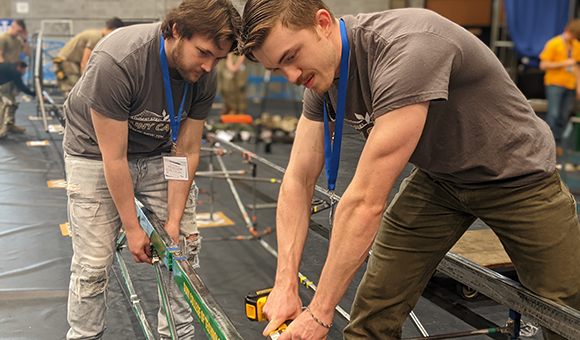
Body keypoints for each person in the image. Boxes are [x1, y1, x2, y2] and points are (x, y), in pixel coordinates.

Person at [240, 1, 580, 339]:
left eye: (291, 57)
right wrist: (285, 283)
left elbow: (365, 203)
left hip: (520, 178)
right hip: (440, 179)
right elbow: (298, 179)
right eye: (277, 69)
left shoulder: (406, 47)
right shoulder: (320, 77)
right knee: (370, 322)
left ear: (323, 23)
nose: (292, 77)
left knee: (564, 316)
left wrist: (319, 311)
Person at [62, 0, 241, 339]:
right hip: (96, 152)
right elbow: (113, 158)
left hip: (161, 152)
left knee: (182, 253)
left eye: (218, 58)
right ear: (176, 31)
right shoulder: (118, 61)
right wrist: (131, 227)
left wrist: (172, 222)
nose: (209, 66)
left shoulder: (203, 75)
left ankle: (178, 335)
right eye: (203, 53)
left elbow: (186, 150)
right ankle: (84, 335)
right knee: (94, 265)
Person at [54, 17, 125, 96]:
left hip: (71, 61)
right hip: (67, 60)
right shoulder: (96, 37)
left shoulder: (99, 35)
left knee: (79, 89)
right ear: (114, 29)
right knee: (77, 89)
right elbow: (85, 62)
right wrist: (86, 83)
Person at [539, 19, 580, 145]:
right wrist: (563, 63)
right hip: (555, 84)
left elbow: (576, 67)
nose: (572, 38)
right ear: (566, 30)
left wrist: (579, 86)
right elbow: (543, 65)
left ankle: (558, 145)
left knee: (564, 116)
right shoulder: (554, 43)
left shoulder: (576, 45)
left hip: (570, 84)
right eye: (571, 34)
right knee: (554, 114)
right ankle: (547, 144)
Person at [0, 19, 30, 134]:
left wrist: (25, 39)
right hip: (6, 75)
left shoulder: (18, 41)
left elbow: (27, 52)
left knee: (13, 101)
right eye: (18, 31)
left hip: (14, 75)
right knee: (3, 102)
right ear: (12, 26)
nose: (18, 33)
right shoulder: (3, 38)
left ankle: (10, 124)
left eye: (21, 31)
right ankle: (1, 128)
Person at [0, 60, 35, 138]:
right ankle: (1, 132)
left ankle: (10, 125)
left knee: (10, 105)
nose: (24, 72)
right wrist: (35, 94)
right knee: (2, 107)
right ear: (19, 67)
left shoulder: (8, 67)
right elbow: (21, 87)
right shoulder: (14, 72)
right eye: (24, 70)